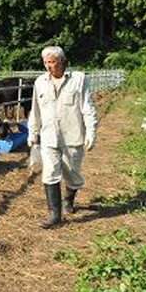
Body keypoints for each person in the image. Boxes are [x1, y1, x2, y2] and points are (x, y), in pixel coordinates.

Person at [27, 46, 98, 228]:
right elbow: (35, 111)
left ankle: (69, 199)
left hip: (72, 136)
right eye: (46, 63)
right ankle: (54, 216)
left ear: (62, 62)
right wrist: (32, 132)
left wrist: (91, 131)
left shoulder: (79, 80)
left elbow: (87, 107)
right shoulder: (40, 82)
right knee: (50, 174)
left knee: (73, 175)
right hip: (49, 137)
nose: (49, 66)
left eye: (52, 62)